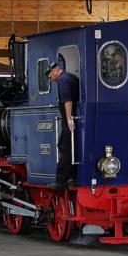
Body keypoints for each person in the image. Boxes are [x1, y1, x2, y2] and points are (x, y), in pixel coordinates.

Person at [47, 62, 79, 190]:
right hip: (74, 118)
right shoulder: (70, 77)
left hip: (70, 120)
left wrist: (69, 119)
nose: (50, 79)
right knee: (63, 144)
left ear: (54, 70)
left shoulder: (63, 80)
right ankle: (72, 175)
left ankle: (61, 181)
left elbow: (67, 101)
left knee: (66, 148)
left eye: (50, 76)